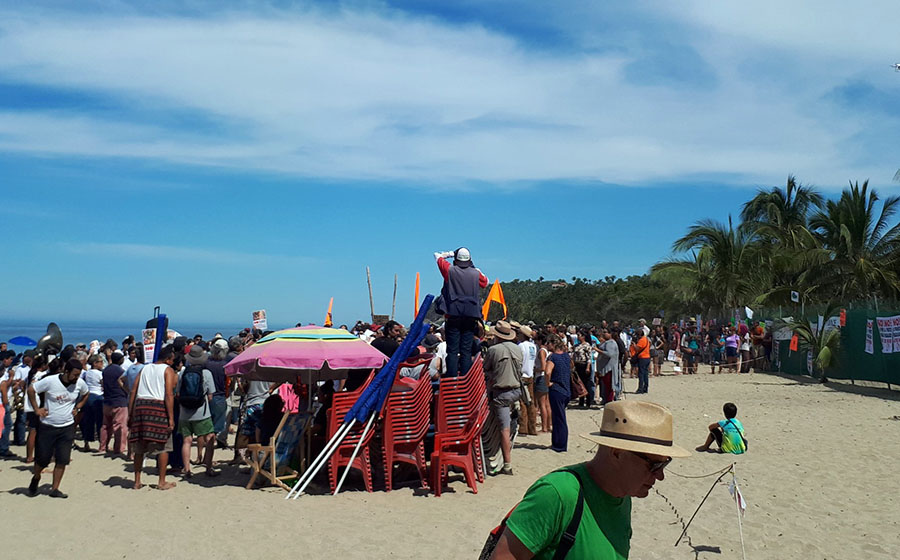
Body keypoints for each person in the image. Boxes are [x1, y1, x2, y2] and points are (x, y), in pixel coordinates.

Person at [489, 401, 690, 559]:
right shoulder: (557, 494)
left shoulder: (622, 495)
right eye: (654, 465)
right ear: (617, 452)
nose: (660, 476)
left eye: (665, 464)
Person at [26, 358, 90, 498]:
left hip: (67, 426)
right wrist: (37, 409)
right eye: (74, 374)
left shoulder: (79, 383)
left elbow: (86, 394)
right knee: (43, 459)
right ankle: (36, 477)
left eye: (78, 375)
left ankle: (55, 489)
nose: (76, 377)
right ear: (66, 371)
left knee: (62, 459)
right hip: (48, 425)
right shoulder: (51, 381)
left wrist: (78, 407)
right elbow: (31, 389)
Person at [128, 345, 178, 490]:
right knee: (163, 446)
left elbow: (133, 390)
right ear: (168, 359)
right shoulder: (167, 370)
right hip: (158, 406)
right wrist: (171, 418)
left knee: (139, 446)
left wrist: (130, 412)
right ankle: (161, 481)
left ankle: (137, 481)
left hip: (141, 405)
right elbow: (169, 394)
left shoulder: (144, 368)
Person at [434, 247, 488, 377]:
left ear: (456, 259)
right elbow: (485, 282)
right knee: (466, 350)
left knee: (452, 350)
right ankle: (465, 377)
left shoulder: (450, 270)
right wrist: (471, 263)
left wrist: (450, 254)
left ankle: (452, 377)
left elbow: (437, 256)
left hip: (453, 314)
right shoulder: (476, 273)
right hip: (470, 316)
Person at [484, 320, 523, 475]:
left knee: (503, 429)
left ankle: (507, 464)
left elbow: (485, 369)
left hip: (502, 393)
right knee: (511, 426)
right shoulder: (517, 349)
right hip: (517, 391)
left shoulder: (493, 350)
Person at [176, 345, 218, 477]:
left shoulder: (182, 373)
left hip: (184, 413)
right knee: (210, 438)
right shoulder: (206, 373)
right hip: (202, 412)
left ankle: (187, 469)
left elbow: (177, 393)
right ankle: (208, 468)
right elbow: (210, 396)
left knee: (186, 441)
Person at [543, 335, 572, 453]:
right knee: (558, 417)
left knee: (559, 418)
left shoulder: (553, 357)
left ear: (553, 344)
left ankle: (560, 444)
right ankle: (556, 442)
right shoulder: (566, 356)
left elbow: (547, 371)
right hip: (566, 390)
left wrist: (547, 383)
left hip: (557, 389)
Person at [99, 351, 129, 455]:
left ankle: (102, 447)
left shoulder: (106, 370)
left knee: (105, 425)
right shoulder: (121, 371)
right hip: (119, 401)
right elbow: (125, 383)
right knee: (120, 426)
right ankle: (119, 448)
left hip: (107, 400)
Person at [206, 338, 230, 449]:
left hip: (206, 397)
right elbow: (228, 382)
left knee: (206, 425)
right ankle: (209, 452)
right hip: (220, 396)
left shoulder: (206, 363)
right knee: (215, 428)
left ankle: (203, 453)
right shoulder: (226, 365)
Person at [79, 354, 105, 451]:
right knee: (99, 421)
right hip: (98, 396)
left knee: (88, 420)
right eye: (101, 362)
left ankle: (86, 442)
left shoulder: (87, 373)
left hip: (88, 396)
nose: (102, 364)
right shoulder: (99, 373)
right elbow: (103, 383)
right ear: (95, 363)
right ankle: (101, 444)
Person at [516, 325, 538, 436]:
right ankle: (532, 427)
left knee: (522, 403)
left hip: (522, 375)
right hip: (530, 374)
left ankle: (523, 427)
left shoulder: (521, 346)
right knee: (531, 402)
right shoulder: (533, 346)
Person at [532, 332, 551, 434]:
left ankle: (544, 426)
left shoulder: (541, 351)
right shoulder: (546, 350)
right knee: (547, 403)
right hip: (545, 378)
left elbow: (543, 367)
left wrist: (534, 370)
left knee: (541, 404)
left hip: (541, 377)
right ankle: (548, 425)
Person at [572, 332, 593, 408]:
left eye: (579, 335)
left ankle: (588, 401)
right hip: (577, 365)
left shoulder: (587, 346)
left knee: (586, 383)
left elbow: (589, 357)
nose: (578, 337)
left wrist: (588, 367)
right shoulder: (577, 346)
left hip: (584, 365)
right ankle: (581, 400)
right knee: (579, 383)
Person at [629, 329, 651, 394]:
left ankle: (640, 389)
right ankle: (645, 388)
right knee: (645, 374)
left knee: (641, 374)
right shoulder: (646, 339)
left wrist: (634, 344)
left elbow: (637, 349)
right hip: (647, 357)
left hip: (642, 358)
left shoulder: (642, 340)